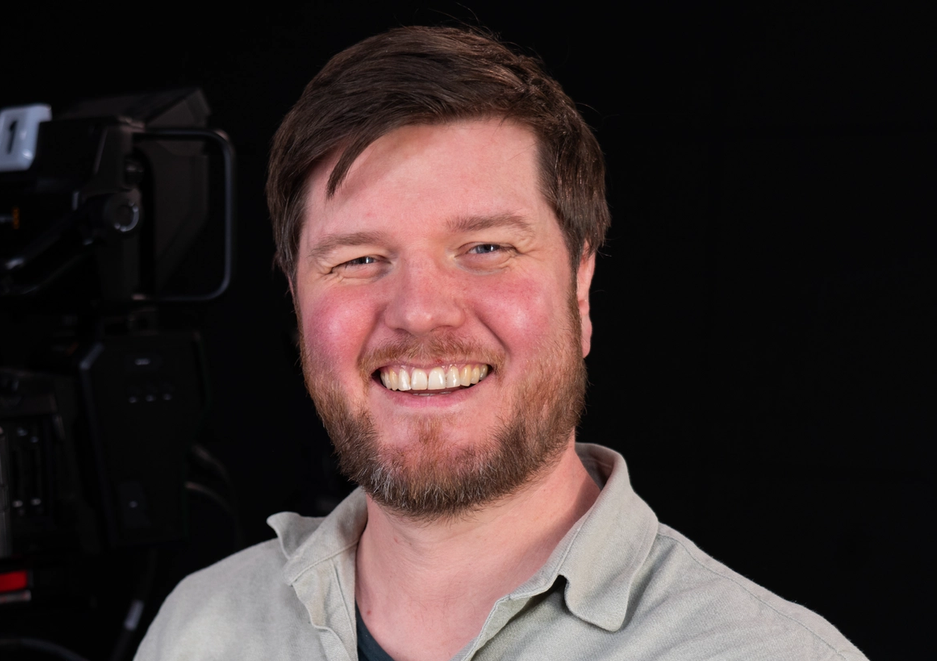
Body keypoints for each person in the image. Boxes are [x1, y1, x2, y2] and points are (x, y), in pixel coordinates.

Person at [136, 26, 865, 661]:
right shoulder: (200, 627)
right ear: (297, 300)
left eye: (485, 246)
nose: (419, 313)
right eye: (358, 259)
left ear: (580, 289)